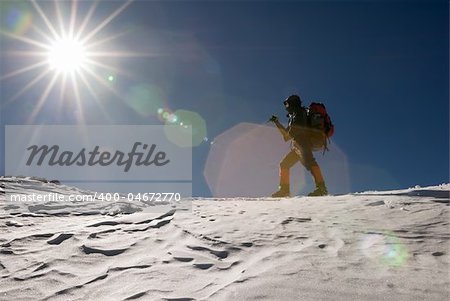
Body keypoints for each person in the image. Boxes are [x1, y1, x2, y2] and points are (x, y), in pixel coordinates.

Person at [270, 94, 328, 197]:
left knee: (310, 163)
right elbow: (287, 136)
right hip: (298, 145)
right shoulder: (294, 115)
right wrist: (277, 122)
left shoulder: (299, 112)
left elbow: (290, 134)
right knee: (284, 164)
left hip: (303, 144)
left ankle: (322, 189)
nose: (286, 107)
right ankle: (284, 191)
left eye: (287, 104)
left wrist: (284, 128)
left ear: (292, 103)